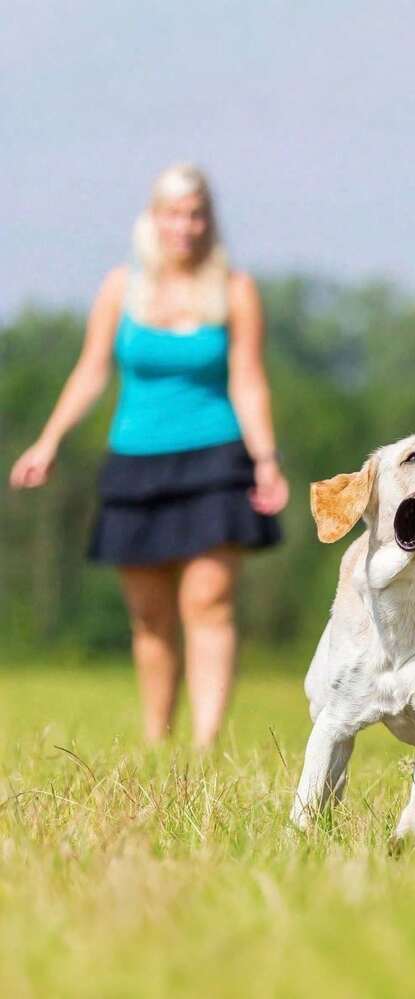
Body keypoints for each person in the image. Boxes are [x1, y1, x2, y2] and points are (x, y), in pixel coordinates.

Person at [9, 163, 289, 747]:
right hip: (135, 462)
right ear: (154, 219)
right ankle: (157, 741)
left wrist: (265, 458)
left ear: (209, 221)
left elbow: (248, 379)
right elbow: (91, 371)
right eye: (173, 214)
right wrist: (50, 439)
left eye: (195, 214)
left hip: (217, 459)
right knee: (151, 616)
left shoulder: (236, 290)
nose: (184, 226)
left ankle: (206, 744)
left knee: (209, 600)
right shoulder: (122, 287)